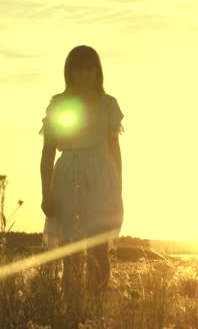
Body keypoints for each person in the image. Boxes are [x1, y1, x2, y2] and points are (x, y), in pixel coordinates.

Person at [39, 45, 124, 310]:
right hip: (66, 177)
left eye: (89, 67)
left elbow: (115, 149)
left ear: (96, 71)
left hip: (101, 176)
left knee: (99, 246)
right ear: (70, 71)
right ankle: (71, 309)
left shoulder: (107, 104)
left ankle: (96, 309)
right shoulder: (58, 105)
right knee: (70, 249)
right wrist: (45, 192)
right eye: (78, 67)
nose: (84, 73)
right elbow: (47, 153)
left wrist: (118, 187)